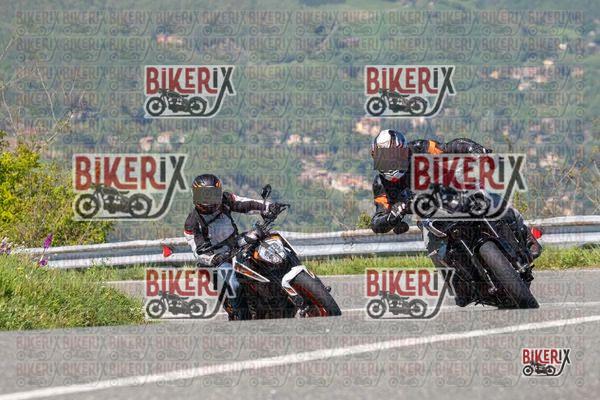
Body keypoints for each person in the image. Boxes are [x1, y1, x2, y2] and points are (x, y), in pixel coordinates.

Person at [369, 129, 542, 306]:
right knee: (434, 249)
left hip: (452, 191)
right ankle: (461, 288)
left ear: (404, 151)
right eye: (384, 157)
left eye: (393, 156)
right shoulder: (381, 184)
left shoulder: (420, 148)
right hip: (428, 216)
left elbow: (449, 147)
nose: (389, 161)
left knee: (490, 198)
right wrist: (392, 217)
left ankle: (526, 235)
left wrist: (474, 149)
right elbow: (377, 219)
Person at [183, 174, 277, 319]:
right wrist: (214, 258)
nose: (209, 200)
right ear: (196, 195)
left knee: (268, 252)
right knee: (234, 284)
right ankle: (242, 317)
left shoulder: (225, 200)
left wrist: (269, 207)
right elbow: (197, 250)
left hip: (236, 245)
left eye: (212, 194)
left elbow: (246, 204)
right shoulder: (192, 222)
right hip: (218, 258)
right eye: (204, 195)